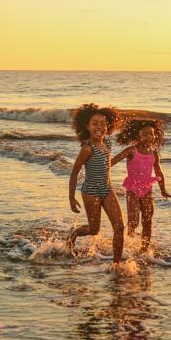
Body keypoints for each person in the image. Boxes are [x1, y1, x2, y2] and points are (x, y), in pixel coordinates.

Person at [67, 103, 126, 264]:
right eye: (95, 124)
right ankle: (73, 233)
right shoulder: (87, 149)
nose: (99, 127)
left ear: (108, 126)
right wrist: (71, 198)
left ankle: (116, 265)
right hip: (90, 191)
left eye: (103, 124)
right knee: (94, 230)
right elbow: (74, 174)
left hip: (107, 189)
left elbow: (107, 164)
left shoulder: (107, 143)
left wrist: (126, 153)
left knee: (119, 227)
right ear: (87, 126)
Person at [111, 118, 170, 247]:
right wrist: (99, 170)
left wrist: (163, 190)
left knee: (147, 222)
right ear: (138, 135)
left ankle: (144, 250)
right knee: (133, 222)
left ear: (155, 135)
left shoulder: (154, 153)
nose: (148, 137)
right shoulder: (131, 150)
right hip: (132, 190)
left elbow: (159, 172)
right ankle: (127, 244)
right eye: (145, 134)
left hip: (147, 191)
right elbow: (113, 162)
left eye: (151, 134)